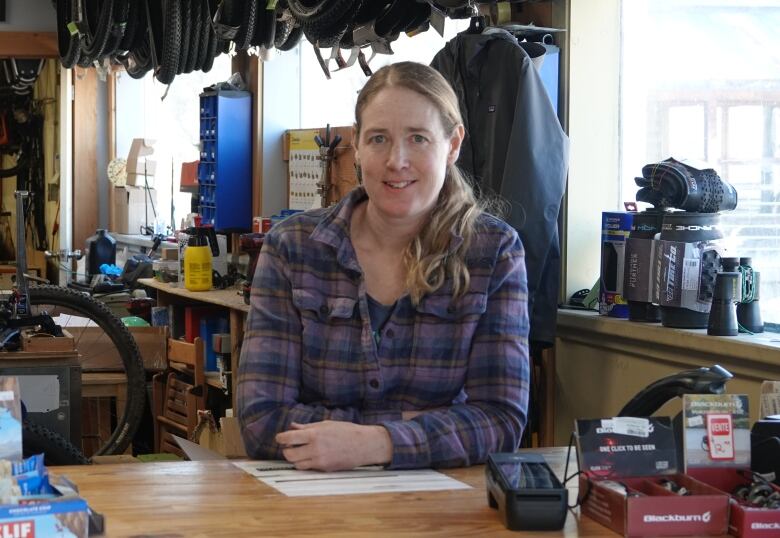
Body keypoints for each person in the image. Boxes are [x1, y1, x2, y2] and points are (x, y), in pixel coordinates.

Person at [238, 61, 529, 471]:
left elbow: (501, 420)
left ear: (453, 144)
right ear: (356, 144)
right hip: (310, 508)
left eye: (419, 139)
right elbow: (260, 420)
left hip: (440, 513)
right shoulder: (292, 247)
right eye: (379, 139)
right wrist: (422, 428)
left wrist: (375, 444)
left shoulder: (493, 253)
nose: (397, 160)